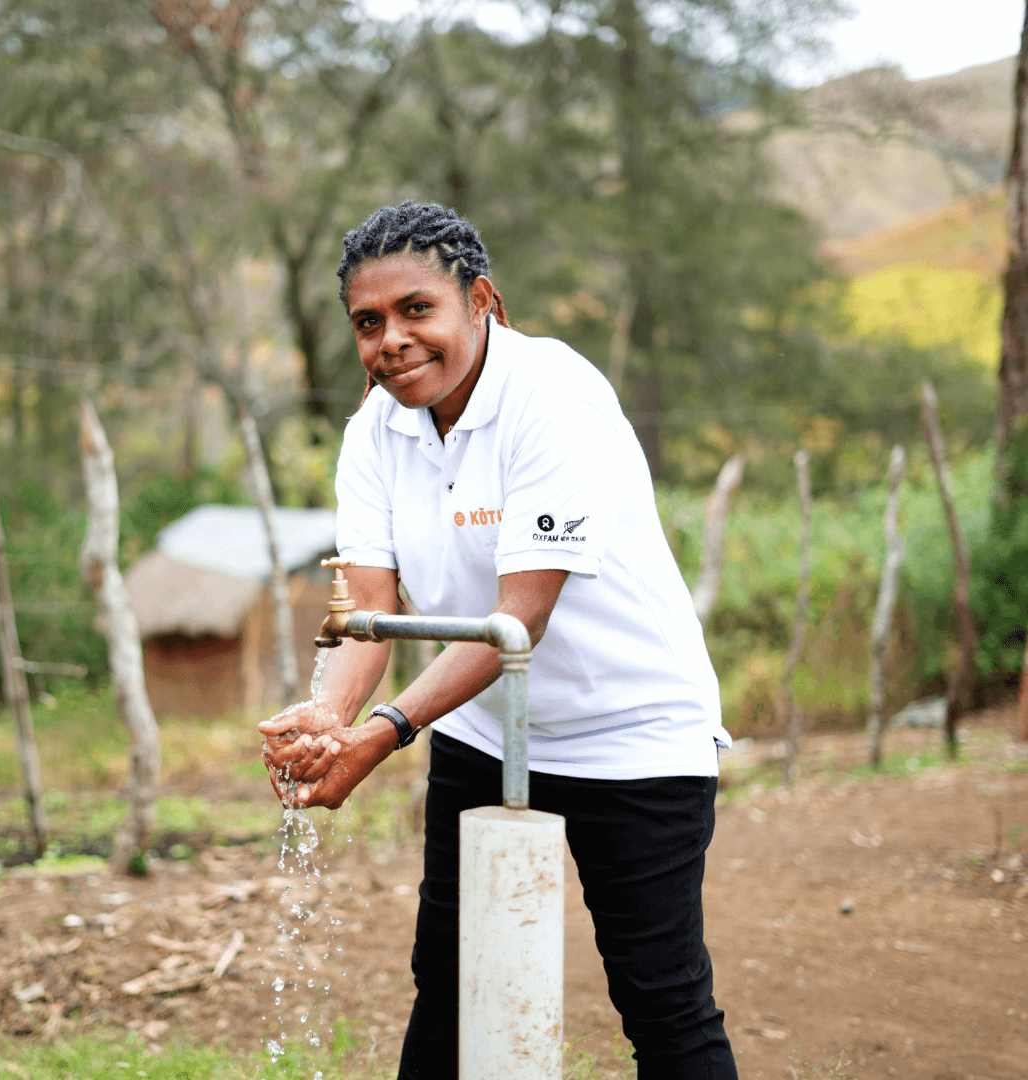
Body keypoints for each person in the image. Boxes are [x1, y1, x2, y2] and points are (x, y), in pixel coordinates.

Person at [259, 201, 738, 1079]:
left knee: (659, 998)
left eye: (416, 311)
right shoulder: (376, 429)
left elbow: (518, 622)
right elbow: (367, 610)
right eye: (369, 323)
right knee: (448, 985)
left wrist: (384, 732)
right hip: (485, 732)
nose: (392, 341)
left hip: (629, 736)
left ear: (481, 300)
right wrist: (328, 715)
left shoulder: (554, 397)